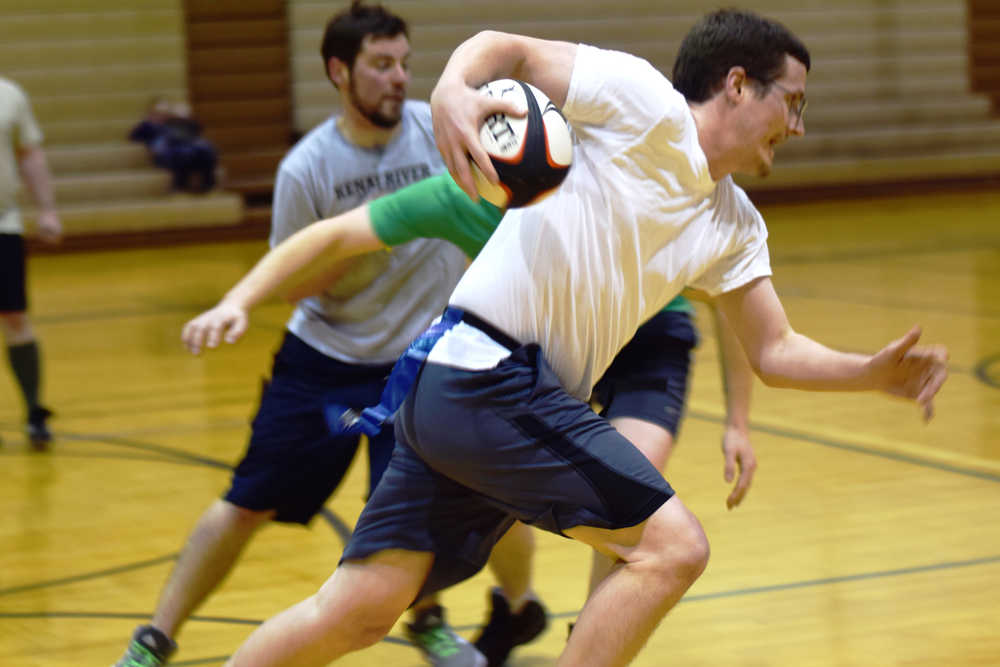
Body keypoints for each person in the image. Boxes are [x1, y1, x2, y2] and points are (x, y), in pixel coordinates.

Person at [220, 9, 950, 667]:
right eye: (792, 103)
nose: (797, 127)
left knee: (358, 609)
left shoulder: (735, 225)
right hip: (485, 375)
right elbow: (506, 48)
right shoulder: (641, 103)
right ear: (736, 85)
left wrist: (872, 373)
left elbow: (774, 350)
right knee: (673, 548)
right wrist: (451, 88)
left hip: (479, 394)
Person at [113, 4, 544, 667]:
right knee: (248, 501)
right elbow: (295, 284)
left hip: (422, 362)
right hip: (326, 360)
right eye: (380, 65)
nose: (398, 78)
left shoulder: (441, 131)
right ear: (339, 72)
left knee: (418, 509)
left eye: (404, 63)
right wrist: (374, 232)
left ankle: (432, 616)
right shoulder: (306, 168)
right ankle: (155, 636)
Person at [181, 167, 756, 662]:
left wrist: (739, 419)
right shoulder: (462, 196)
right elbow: (335, 235)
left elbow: (735, 291)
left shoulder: (597, 197)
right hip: (506, 373)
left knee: (640, 495)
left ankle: (589, 632)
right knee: (361, 606)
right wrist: (238, 300)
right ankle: (524, 608)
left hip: (642, 338)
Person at [0, 76, 62, 450]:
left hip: (3, 223)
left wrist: (47, 210)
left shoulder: (9, 94)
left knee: (15, 316)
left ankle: (34, 411)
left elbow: (30, 155)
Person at [128, 96, 218, 193]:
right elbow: (133, 136)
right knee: (182, 154)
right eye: (157, 113)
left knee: (206, 150)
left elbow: (196, 130)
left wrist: (184, 118)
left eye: (164, 113)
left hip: (185, 148)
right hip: (167, 153)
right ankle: (181, 185)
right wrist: (147, 122)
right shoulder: (147, 126)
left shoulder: (173, 124)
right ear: (151, 114)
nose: (161, 116)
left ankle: (207, 182)